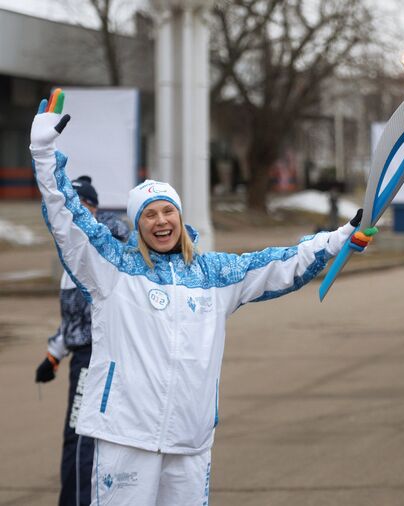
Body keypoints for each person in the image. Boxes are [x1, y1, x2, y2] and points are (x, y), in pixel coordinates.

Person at [29, 89, 376, 505]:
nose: (161, 221)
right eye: (149, 215)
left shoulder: (214, 275)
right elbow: (69, 218)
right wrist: (44, 153)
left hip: (189, 444)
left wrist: (340, 238)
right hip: (125, 438)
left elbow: (281, 262)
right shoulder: (112, 270)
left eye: (167, 211)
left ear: (180, 215)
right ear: (138, 226)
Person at [34, 175, 129, 506]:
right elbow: (73, 320)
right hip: (81, 358)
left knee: (81, 438)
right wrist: (53, 356)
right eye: (67, 207)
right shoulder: (75, 253)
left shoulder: (108, 251)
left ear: (93, 207)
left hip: (97, 359)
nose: (72, 214)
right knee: (80, 438)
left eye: (79, 206)